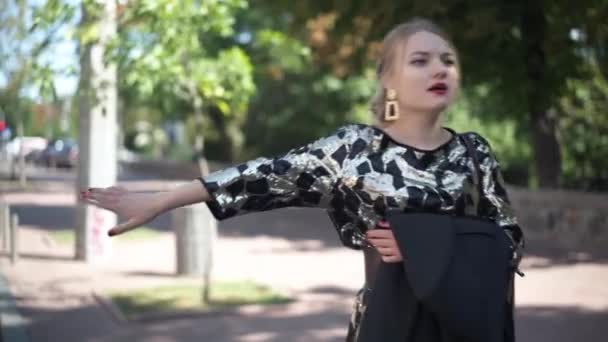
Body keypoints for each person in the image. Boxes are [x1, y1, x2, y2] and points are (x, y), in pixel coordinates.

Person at [81, 17, 524, 341]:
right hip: (391, 324)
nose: (440, 69)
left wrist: (422, 242)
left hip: (468, 324)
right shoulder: (353, 149)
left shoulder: (474, 150)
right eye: (421, 61)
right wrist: (159, 200)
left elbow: (508, 238)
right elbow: (264, 176)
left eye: (448, 61)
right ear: (388, 81)